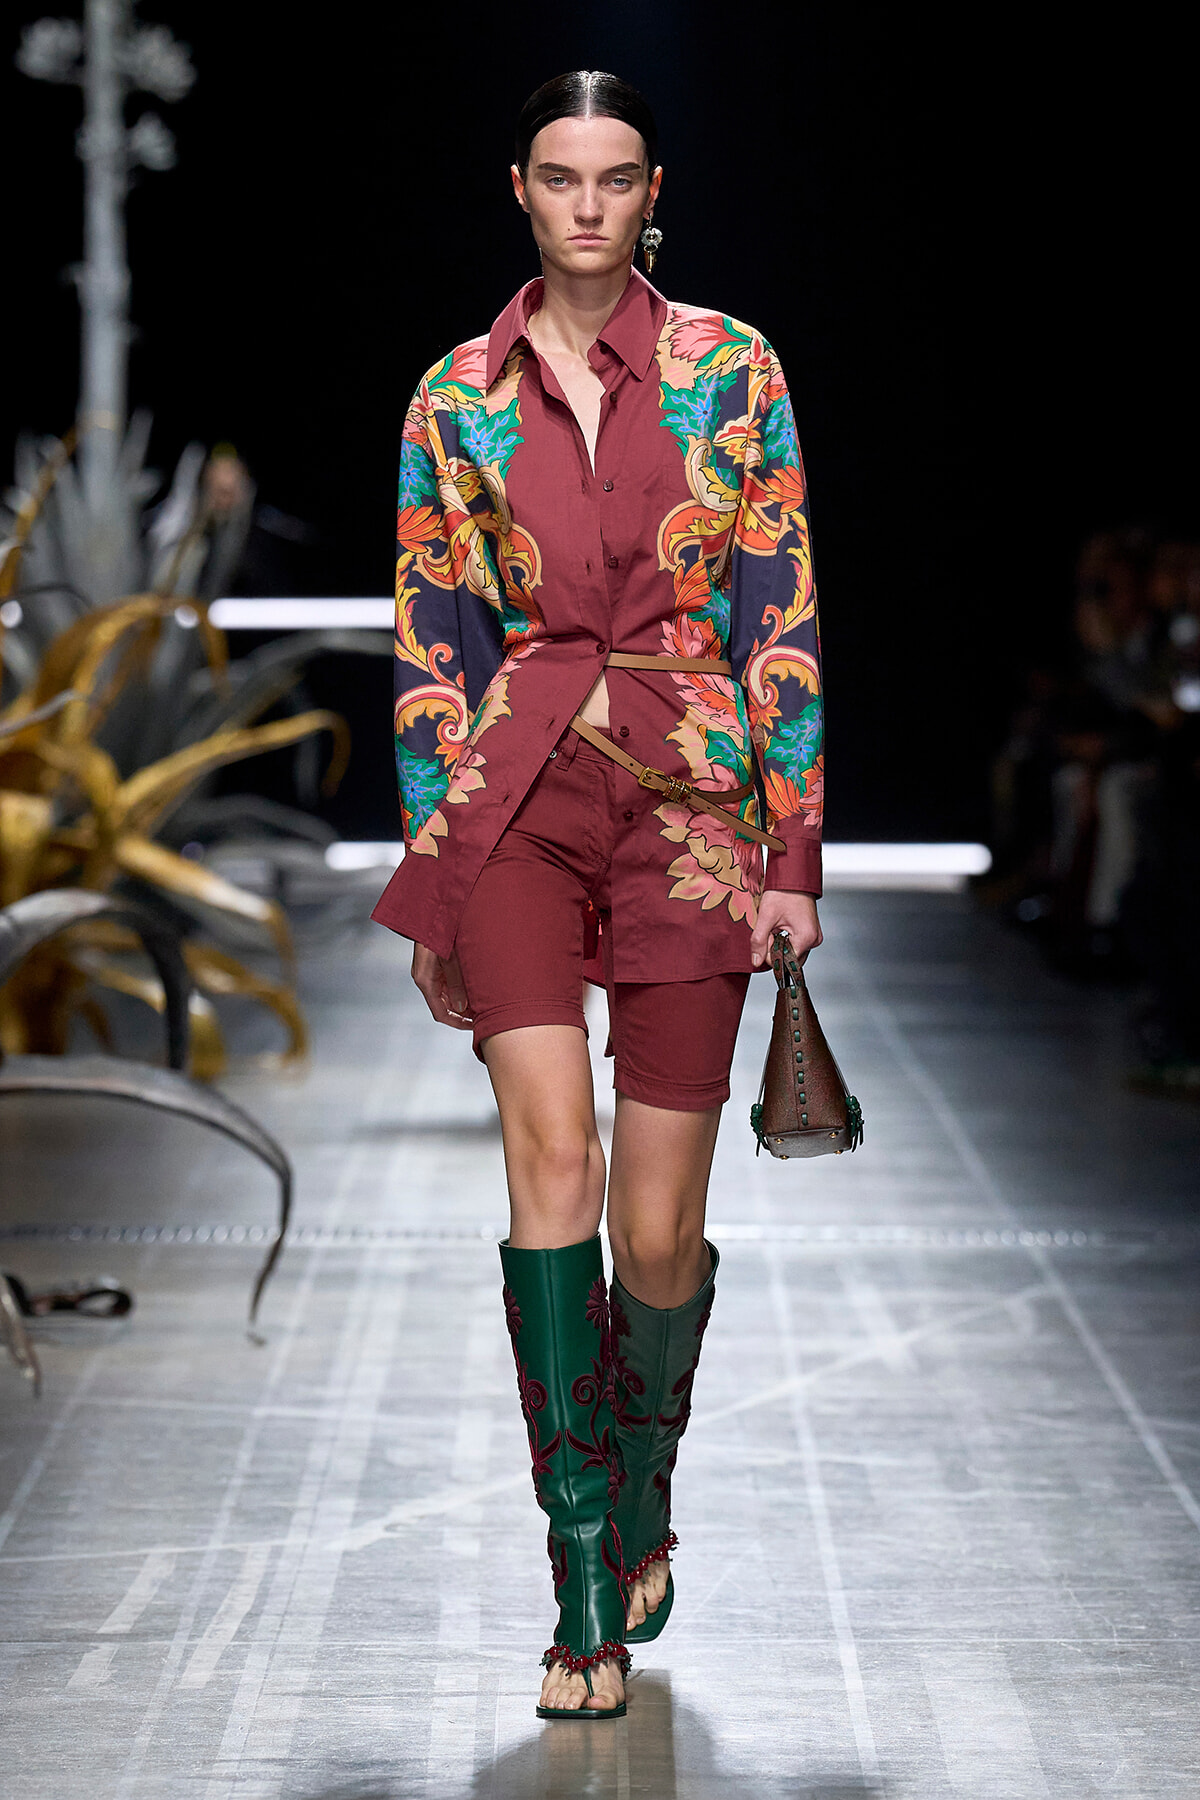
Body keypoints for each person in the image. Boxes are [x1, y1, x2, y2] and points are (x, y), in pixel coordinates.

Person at [372, 71, 825, 1719]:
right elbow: (433, 645)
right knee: (547, 1165)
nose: (584, 205)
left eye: (613, 179)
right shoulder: (453, 398)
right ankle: (581, 1583)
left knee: (658, 1225)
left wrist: (794, 854)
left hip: (698, 809)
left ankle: (643, 1491)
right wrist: (438, 874)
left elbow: (777, 609)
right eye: (557, 178)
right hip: (515, 806)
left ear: (652, 193)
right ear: (518, 188)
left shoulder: (732, 369)